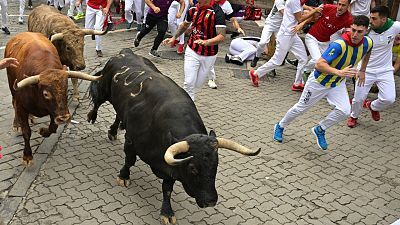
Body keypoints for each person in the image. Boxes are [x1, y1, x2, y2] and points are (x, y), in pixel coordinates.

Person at [273, 15, 372, 150]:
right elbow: (319, 64)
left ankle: (320, 129)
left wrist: (363, 71)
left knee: (345, 110)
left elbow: (367, 52)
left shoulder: (368, 42)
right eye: (353, 30)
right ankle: (280, 126)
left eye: (359, 32)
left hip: (337, 83)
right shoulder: (339, 45)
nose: (355, 34)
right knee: (301, 108)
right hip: (318, 82)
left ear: (366, 30)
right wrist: (338, 72)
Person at [249, 0, 321, 90]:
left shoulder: (299, 2)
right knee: (277, 61)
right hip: (285, 35)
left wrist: (312, 9)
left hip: (292, 34)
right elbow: (300, 19)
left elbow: (304, 6)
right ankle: (256, 74)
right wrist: (314, 11)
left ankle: (297, 83)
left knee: (303, 59)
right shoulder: (294, 1)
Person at [347, 6, 400, 127]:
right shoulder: (367, 31)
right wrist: (359, 70)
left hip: (385, 70)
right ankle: (353, 116)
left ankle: (372, 106)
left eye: (374, 18)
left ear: (383, 19)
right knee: (358, 99)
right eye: (370, 17)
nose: (370, 21)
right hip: (365, 71)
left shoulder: (395, 27)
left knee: (389, 99)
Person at [163, 0, 226, 100]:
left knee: (197, 84)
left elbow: (221, 36)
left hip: (209, 55)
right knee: (188, 83)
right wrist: (174, 38)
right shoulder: (193, 9)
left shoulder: (217, 12)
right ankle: (186, 107)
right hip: (192, 50)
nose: (197, 2)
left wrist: (207, 42)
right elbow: (184, 25)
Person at [297, 0, 353, 82]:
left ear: (348, 6)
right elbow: (314, 14)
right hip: (312, 37)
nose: (340, 7)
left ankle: (320, 78)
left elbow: (348, 33)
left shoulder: (349, 19)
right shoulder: (328, 7)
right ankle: (306, 71)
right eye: (339, 4)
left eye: (343, 5)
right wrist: (303, 23)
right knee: (317, 60)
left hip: (325, 41)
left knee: (328, 61)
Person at [206, 0, 245, 89]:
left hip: (215, 34)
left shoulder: (226, 5)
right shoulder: (206, 1)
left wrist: (238, 27)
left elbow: (233, 19)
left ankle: (211, 79)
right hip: (202, 31)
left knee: (210, 57)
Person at [250, 0, 286, 68]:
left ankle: (273, 63)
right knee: (262, 43)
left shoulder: (292, 2)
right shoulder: (279, 1)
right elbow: (284, 14)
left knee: (280, 44)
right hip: (270, 24)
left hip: (280, 27)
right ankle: (256, 57)